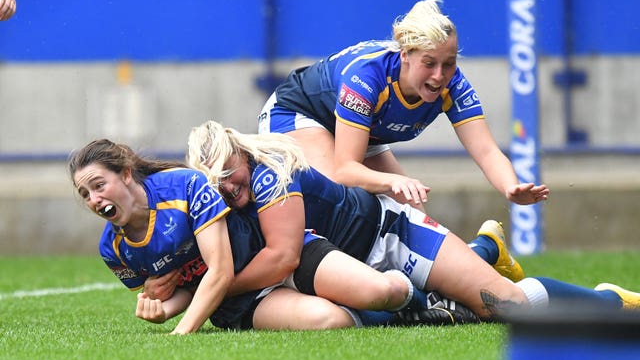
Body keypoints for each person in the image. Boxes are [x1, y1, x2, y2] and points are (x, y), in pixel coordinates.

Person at [185, 120, 640, 321]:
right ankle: (484, 249)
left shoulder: (270, 175)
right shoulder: (229, 192)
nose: (225, 186)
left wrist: (210, 288)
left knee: (505, 306)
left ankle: (608, 301)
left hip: (391, 238)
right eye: (214, 180)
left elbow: (282, 257)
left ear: (241, 151)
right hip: (347, 263)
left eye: (229, 172)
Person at [68, 139, 474, 334]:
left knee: (376, 290)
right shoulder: (114, 249)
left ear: (125, 174)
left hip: (270, 258)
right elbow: (179, 291)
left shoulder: (183, 186)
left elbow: (220, 270)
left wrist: (182, 331)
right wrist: (162, 307)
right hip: (239, 300)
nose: (93, 198)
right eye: (84, 193)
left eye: (98, 185)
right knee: (329, 321)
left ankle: (433, 294)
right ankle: (425, 306)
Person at [257, 0, 549, 214]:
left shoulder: (454, 85)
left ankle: (465, 267)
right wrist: (392, 180)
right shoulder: (367, 77)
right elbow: (346, 170)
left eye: (449, 64)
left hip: (359, 130)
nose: (439, 76)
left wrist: (510, 187)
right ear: (405, 55)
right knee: (337, 198)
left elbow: (486, 150)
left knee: (414, 213)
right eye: (429, 63)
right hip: (298, 114)